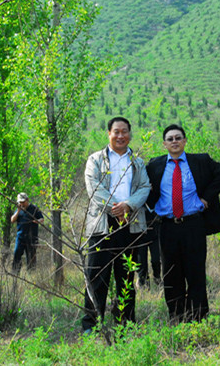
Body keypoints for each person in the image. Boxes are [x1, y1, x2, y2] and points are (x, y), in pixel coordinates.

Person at [146, 124, 220, 323]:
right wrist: (152, 205)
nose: (174, 141)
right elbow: (143, 186)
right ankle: (176, 317)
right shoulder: (155, 165)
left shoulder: (199, 160)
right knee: (171, 274)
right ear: (164, 144)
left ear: (184, 141)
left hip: (193, 225)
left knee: (195, 272)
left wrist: (206, 198)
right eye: (170, 139)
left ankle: (198, 318)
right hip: (167, 226)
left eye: (178, 138)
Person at [82, 116, 151, 332]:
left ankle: (126, 325)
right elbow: (94, 188)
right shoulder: (95, 159)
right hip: (102, 226)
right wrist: (116, 208)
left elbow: (145, 187)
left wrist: (128, 206)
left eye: (124, 132)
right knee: (96, 277)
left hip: (129, 226)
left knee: (126, 279)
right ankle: (91, 328)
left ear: (130, 134)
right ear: (108, 134)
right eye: (116, 131)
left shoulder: (137, 162)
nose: (120, 136)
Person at [10, 193, 44, 273]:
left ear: (27, 200)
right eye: (20, 202)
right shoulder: (18, 210)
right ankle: (15, 274)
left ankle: (31, 275)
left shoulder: (34, 208)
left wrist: (37, 221)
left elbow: (42, 219)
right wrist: (18, 211)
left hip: (32, 238)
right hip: (20, 237)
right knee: (17, 254)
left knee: (31, 257)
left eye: (23, 202)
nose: (22, 204)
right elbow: (12, 220)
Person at [136, 210, 161, 287]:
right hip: (140, 232)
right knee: (141, 262)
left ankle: (157, 277)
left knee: (156, 259)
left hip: (155, 231)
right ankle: (143, 283)